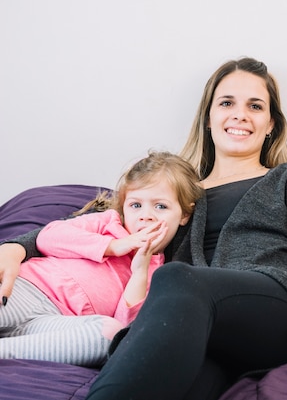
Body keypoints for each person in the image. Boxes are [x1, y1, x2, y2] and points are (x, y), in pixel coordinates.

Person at [0, 57, 287, 400]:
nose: (240, 115)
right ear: (208, 118)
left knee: (178, 279)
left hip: (281, 313)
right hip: (198, 328)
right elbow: (90, 223)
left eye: (255, 106)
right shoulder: (173, 192)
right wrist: (16, 248)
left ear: (271, 124)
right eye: (226, 103)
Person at [0, 151, 202, 367]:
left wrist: (140, 270)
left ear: (184, 215)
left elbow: (126, 326)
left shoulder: (159, 274)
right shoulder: (108, 223)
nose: (146, 215)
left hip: (54, 322)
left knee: (109, 334)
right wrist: (113, 246)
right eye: (135, 205)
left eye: (160, 206)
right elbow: (48, 237)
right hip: (27, 290)